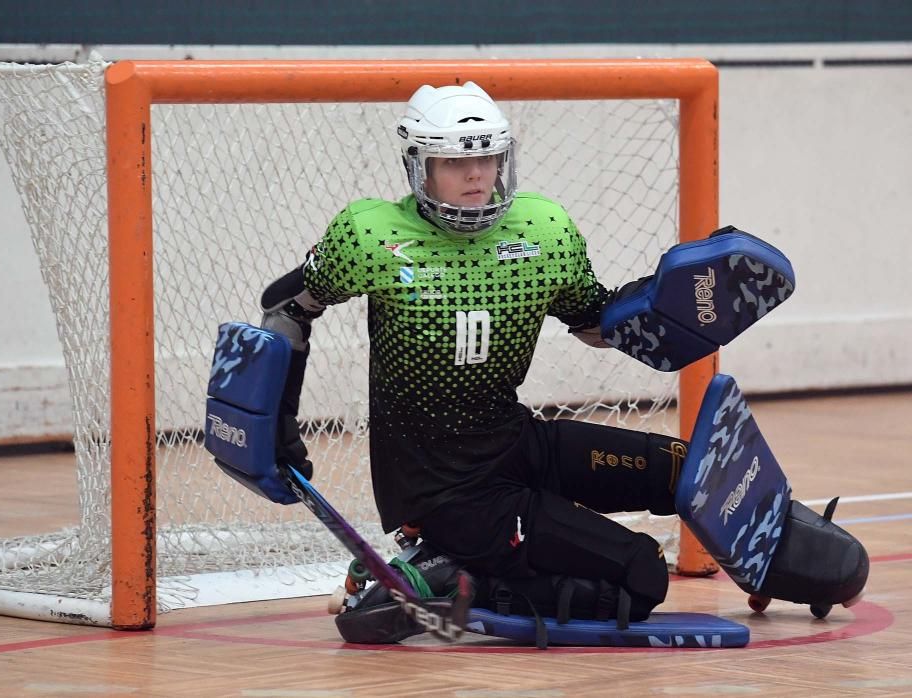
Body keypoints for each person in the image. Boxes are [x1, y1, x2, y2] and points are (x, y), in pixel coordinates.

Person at [259, 81, 683, 627]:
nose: (478, 175)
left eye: (487, 158)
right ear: (420, 167)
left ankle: (811, 567)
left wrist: (673, 308)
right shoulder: (372, 236)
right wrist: (275, 415)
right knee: (644, 572)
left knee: (685, 467)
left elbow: (593, 321)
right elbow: (285, 305)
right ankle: (460, 578)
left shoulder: (542, 228)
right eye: (457, 163)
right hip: (444, 492)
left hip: (515, 444)